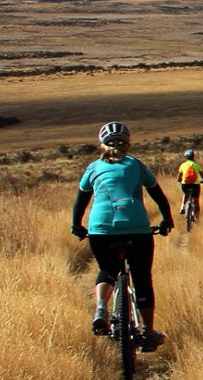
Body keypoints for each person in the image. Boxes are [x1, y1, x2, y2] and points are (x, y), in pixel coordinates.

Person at [72, 121, 174, 352]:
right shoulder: (136, 165)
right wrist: (167, 220)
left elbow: (81, 201)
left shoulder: (93, 167)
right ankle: (147, 330)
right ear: (128, 144)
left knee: (107, 270)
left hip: (102, 229)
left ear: (101, 145)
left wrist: (77, 226)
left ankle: (101, 309)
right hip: (136, 228)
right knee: (141, 277)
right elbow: (158, 194)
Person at [176, 149, 203, 226]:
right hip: (195, 185)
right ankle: (197, 218)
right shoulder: (196, 165)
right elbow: (202, 175)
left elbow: (178, 177)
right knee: (196, 201)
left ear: (186, 157)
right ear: (193, 157)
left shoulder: (182, 165)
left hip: (185, 185)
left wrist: (180, 180)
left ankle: (183, 206)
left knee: (186, 194)